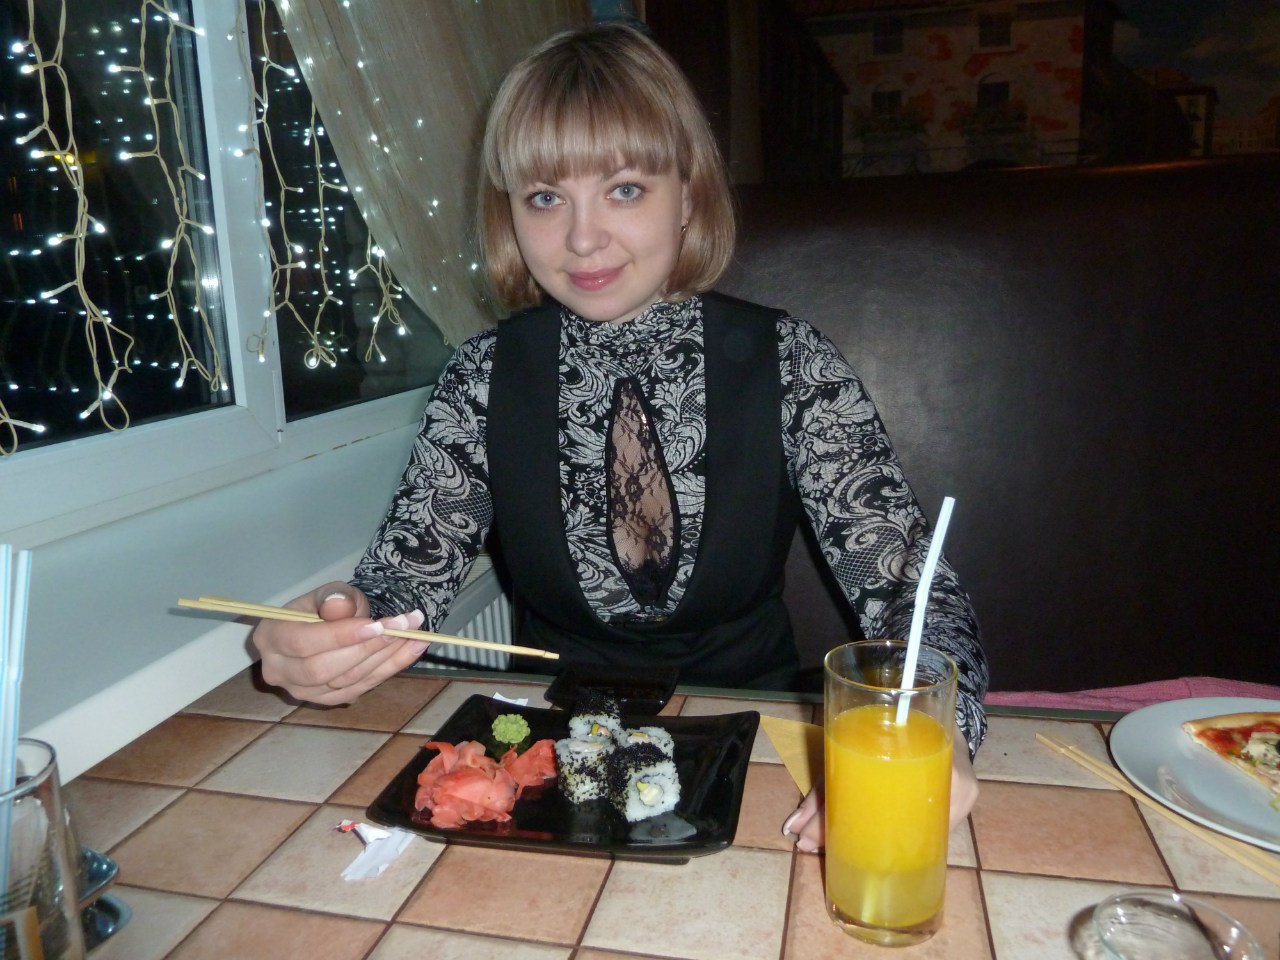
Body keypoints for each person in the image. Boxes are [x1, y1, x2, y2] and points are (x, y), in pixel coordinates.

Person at [251, 22, 988, 853]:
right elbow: (401, 583)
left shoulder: (792, 360)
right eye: (544, 198)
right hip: (546, 768)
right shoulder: (479, 378)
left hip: (754, 751)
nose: (582, 238)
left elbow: (912, 588)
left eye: (626, 189)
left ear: (689, 196)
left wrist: (938, 726)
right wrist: (335, 634)